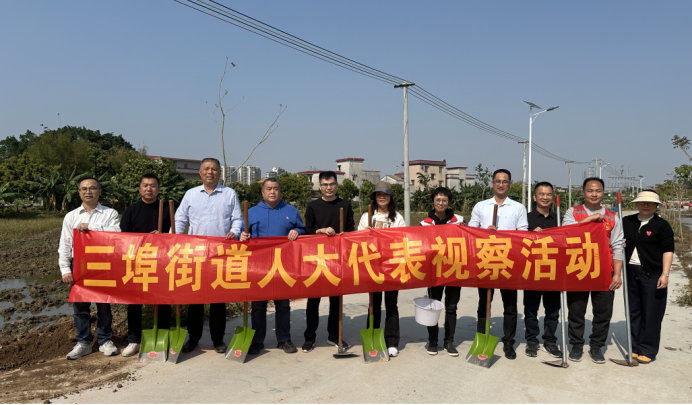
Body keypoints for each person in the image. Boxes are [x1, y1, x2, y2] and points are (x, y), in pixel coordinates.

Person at [175, 158, 243, 354]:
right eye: (206, 168)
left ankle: (218, 339)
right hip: (195, 254)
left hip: (220, 253)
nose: (210, 172)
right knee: (195, 299)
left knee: (218, 298)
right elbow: (180, 219)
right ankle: (193, 338)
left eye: (214, 169)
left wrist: (234, 232)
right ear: (200, 172)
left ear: (220, 173)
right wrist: (174, 238)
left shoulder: (229, 194)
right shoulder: (191, 194)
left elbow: (237, 219)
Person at [239, 178, 305, 355]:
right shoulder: (252, 212)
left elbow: (302, 229)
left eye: (276, 188)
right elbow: (242, 233)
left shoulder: (291, 211)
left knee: (282, 304)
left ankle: (284, 339)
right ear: (262, 192)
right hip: (258, 266)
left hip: (282, 265)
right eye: (268, 189)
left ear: (280, 191)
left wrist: (297, 231)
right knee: (258, 305)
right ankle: (257, 340)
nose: (272, 192)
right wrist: (242, 236)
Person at [468, 169, 528, 360]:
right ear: (492, 183)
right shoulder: (481, 206)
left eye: (505, 181)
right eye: (498, 181)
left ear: (510, 184)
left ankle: (508, 342)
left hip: (509, 262)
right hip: (486, 260)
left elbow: (523, 233)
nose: (501, 184)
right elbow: (471, 231)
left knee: (509, 304)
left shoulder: (518, 207)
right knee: (483, 302)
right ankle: (482, 336)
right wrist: (486, 232)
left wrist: (503, 235)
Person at [563, 177, 624, 364]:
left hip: (604, 271)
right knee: (576, 310)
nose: (594, 194)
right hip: (578, 268)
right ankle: (576, 345)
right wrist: (589, 219)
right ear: (583, 192)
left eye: (598, 190)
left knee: (603, 312)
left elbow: (618, 245)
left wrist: (617, 274)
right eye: (590, 190)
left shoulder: (612, 217)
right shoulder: (573, 212)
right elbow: (565, 232)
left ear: (603, 193)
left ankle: (597, 346)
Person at [59, 178, 121, 360]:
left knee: (104, 304)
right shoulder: (71, 216)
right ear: (79, 192)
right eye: (84, 189)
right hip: (79, 265)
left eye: (92, 188)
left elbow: (116, 234)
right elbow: (65, 244)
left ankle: (105, 340)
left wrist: (90, 227)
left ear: (100, 191)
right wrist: (65, 269)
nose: (88, 191)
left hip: (103, 264)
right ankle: (83, 342)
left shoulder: (110, 213)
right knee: (80, 305)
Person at [119, 174, 174, 358]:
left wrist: (163, 236)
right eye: (145, 185)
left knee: (163, 301)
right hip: (138, 263)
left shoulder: (168, 209)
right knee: (134, 303)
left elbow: (178, 234)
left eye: (153, 185)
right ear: (139, 189)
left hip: (163, 263)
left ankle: (163, 336)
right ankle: (134, 340)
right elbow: (124, 238)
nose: (149, 188)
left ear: (158, 189)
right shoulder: (131, 211)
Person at [302, 171, 355, 353]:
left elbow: (351, 230)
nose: (328, 187)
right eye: (325, 185)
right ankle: (310, 336)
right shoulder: (313, 206)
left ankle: (334, 335)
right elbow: (307, 231)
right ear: (320, 186)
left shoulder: (345, 205)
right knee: (313, 300)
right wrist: (321, 231)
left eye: (331, 184)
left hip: (338, 259)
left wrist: (345, 235)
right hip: (316, 259)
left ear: (336, 185)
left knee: (336, 300)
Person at [623, 190, 674, 364]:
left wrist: (665, 274)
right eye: (643, 202)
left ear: (656, 205)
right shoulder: (626, 221)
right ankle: (634, 346)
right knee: (633, 310)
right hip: (630, 272)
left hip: (653, 273)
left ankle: (647, 349)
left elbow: (668, 250)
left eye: (650, 203)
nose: (646, 205)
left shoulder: (662, 225)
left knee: (652, 311)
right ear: (637, 204)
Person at [358, 181, 406, 357]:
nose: (382, 197)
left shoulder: (397, 218)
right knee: (374, 304)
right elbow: (358, 240)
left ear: (390, 197)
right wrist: (366, 233)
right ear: (375, 197)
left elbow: (403, 240)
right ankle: (373, 337)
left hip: (392, 266)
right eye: (379, 194)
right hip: (373, 266)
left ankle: (392, 342)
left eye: (385, 194)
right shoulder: (367, 217)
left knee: (391, 304)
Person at [420, 187, 464, 357]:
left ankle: (449, 342)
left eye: (444, 200)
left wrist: (463, 229)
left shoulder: (459, 221)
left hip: (454, 269)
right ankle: (432, 341)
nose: (441, 203)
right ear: (433, 202)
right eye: (438, 200)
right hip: (434, 272)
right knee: (433, 306)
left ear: (449, 202)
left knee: (451, 307)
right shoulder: (424, 223)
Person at [524, 182, 562, 359]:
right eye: (541, 194)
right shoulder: (526, 219)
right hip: (532, 271)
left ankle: (550, 341)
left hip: (554, 271)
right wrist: (531, 235)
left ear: (553, 197)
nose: (545, 197)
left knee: (553, 310)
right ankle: (532, 341)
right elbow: (517, 241)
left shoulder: (560, 219)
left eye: (548, 194)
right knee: (531, 309)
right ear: (534, 197)